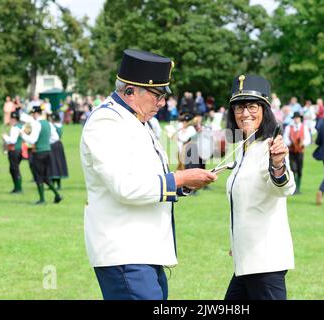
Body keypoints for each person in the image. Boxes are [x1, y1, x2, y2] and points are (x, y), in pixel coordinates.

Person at [80, 49, 217, 300]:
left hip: (143, 249)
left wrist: (184, 184)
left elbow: (149, 177)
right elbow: (125, 186)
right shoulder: (107, 122)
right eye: (158, 95)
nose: (163, 103)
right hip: (124, 249)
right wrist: (181, 179)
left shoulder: (135, 121)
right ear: (131, 91)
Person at [224, 74, 296, 300]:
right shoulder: (245, 148)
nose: (245, 113)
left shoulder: (269, 146)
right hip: (246, 260)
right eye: (239, 107)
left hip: (265, 262)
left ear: (265, 110)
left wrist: (278, 164)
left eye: (252, 106)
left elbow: (283, 188)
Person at [21, 106, 63, 204]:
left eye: (32, 113)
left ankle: (42, 199)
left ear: (36, 113)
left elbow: (32, 140)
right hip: (47, 151)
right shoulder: (48, 123)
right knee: (46, 176)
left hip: (38, 152)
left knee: (39, 176)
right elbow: (55, 137)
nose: (32, 115)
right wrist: (45, 143)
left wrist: (23, 135)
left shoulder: (36, 124)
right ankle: (57, 195)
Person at [283, 111, 311, 194]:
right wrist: (291, 143)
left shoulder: (304, 127)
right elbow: (285, 139)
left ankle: (298, 188)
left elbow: (308, 139)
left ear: (300, 119)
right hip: (291, 151)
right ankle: (293, 188)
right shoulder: (289, 127)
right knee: (293, 169)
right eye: (295, 118)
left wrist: (303, 143)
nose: (296, 119)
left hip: (300, 151)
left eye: (298, 118)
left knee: (299, 170)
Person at [2, 112, 24, 193]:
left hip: (14, 150)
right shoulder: (20, 126)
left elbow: (12, 140)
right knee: (14, 169)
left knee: (14, 169)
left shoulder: (15, 128)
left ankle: (18, 188)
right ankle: (17, 187)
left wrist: (5, 136)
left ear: (13, 119)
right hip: (19, 150)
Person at [49, 112, 69, 190]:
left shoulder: (53, 126)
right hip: (59, 145)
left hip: (53, 145)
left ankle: (54, 183)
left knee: (53, 164)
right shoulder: (60, 125)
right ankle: (57, 184)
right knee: (58, 163)